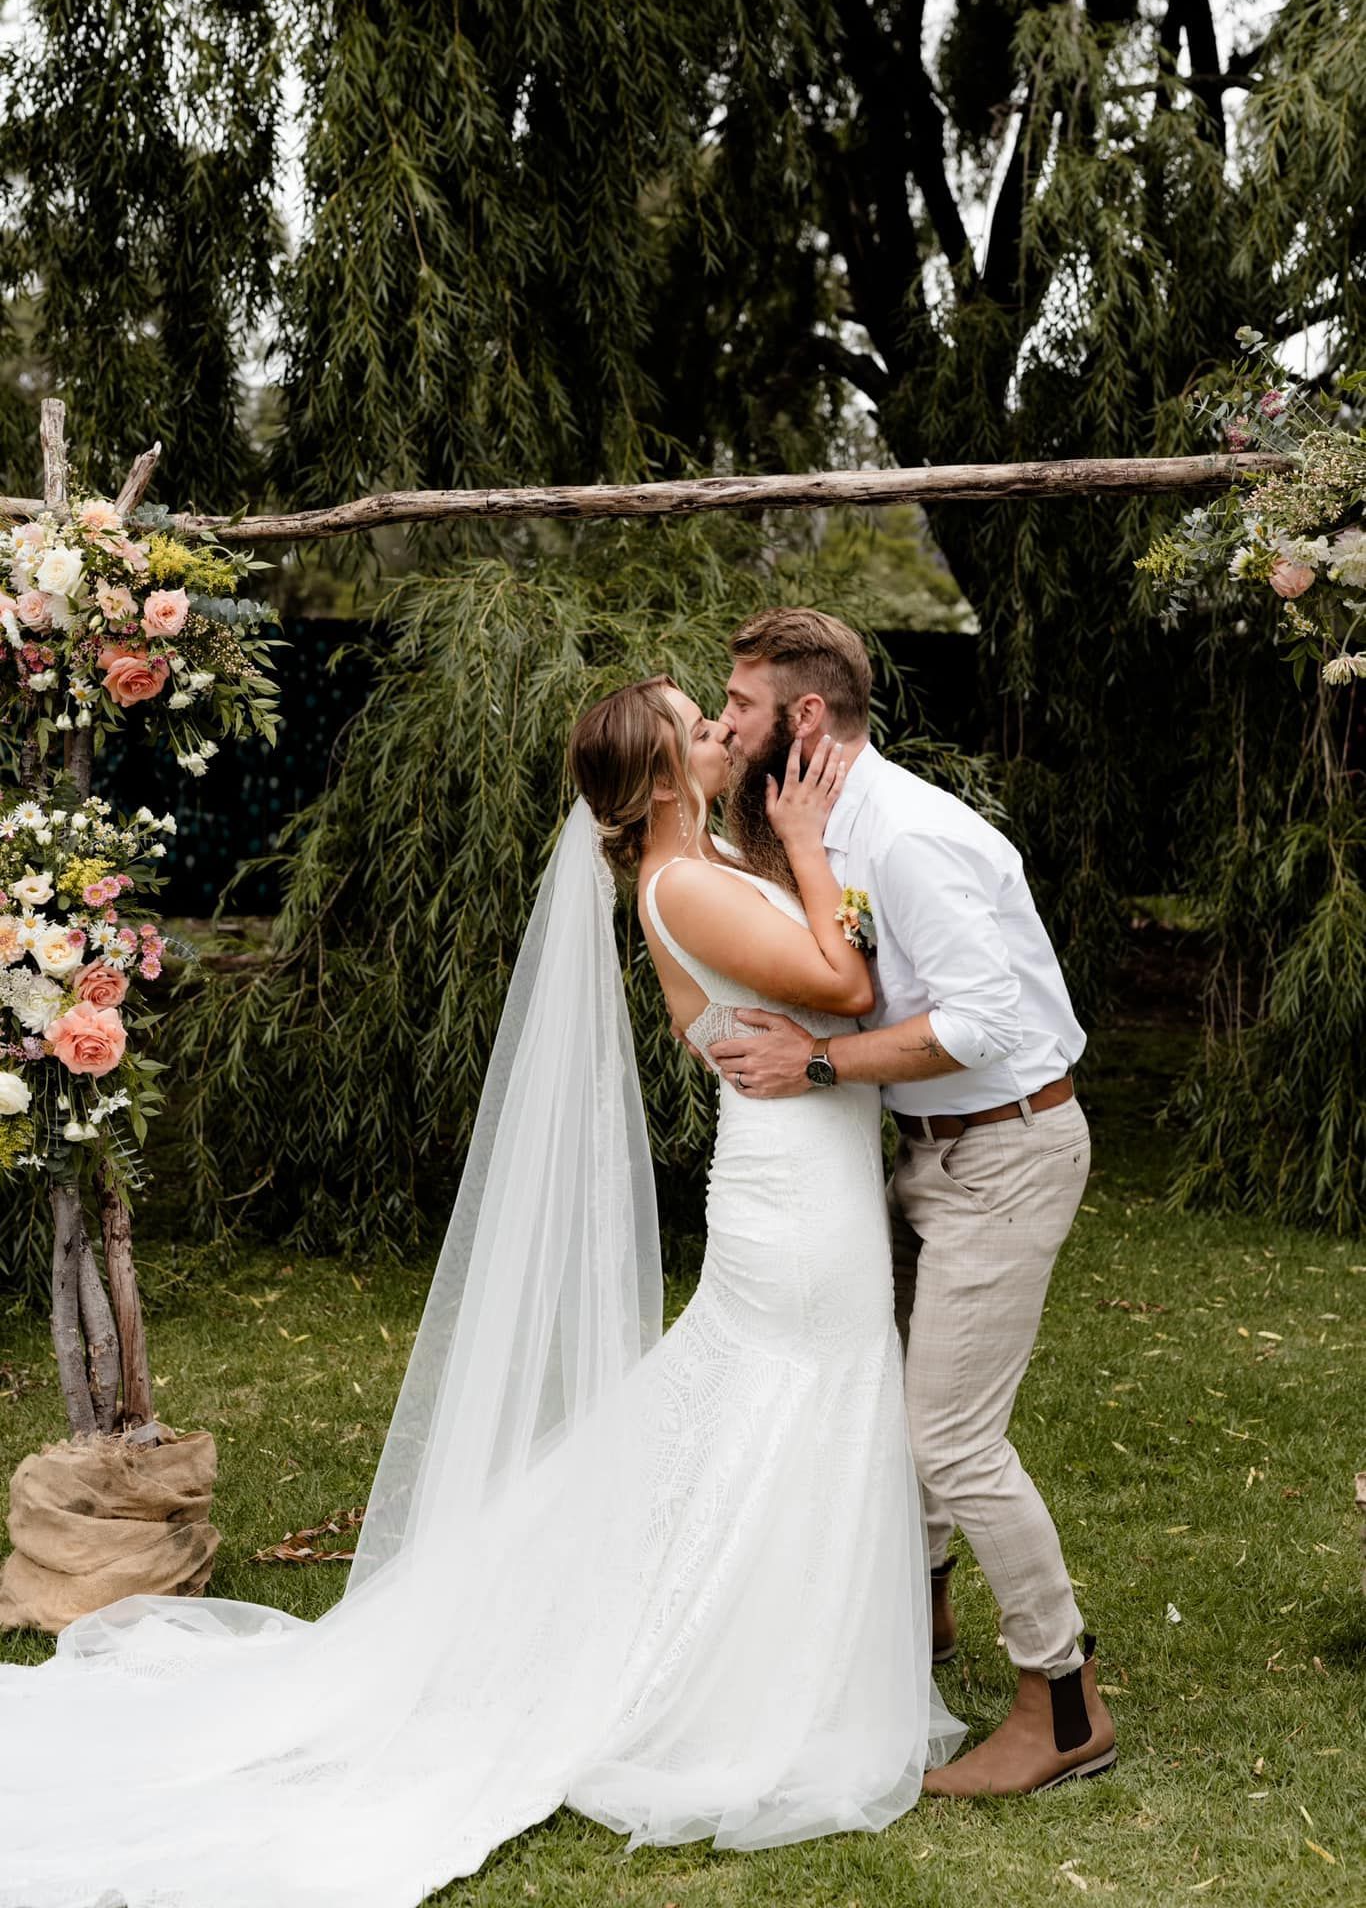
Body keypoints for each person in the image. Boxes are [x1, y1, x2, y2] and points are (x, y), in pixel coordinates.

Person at [0, 675, 960, 1908]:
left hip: (802, 1163)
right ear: (664, 776)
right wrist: (822, 854)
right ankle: (717, 1664)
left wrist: (803, 852)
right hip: (789, 1189)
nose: (724, 731)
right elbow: (843, 988)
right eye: (699, 723)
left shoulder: (711, 854)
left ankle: (773, 1640)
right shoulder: (684, 882)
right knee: (784, 1391)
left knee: (779, 1399)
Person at [709, 608, 1118, 1797]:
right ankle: (917, 1627)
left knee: (950, 1433)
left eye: (737, 707)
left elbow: (984, 1023)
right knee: (895, 1402)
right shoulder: (825, 822)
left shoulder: (913, 837)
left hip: (1005, 1151)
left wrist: (821, 1065)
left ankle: (1063, 1698)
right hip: (926, 1153)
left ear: (806, 717)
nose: (724, 726)